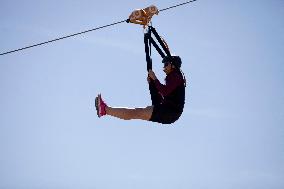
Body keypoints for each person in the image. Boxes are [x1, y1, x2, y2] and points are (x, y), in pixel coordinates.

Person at [95, 55, 186, 124]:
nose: (164, 68)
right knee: (136, 113)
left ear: (173, 66)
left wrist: (154, 79)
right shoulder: (173, 77)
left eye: (166, 64)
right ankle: (105, 110)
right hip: (168, 110)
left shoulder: (176, 76)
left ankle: (105, 110)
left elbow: (164, 92)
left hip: (170, 112)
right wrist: (152, 84)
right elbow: (158, 99)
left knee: (136, 112)